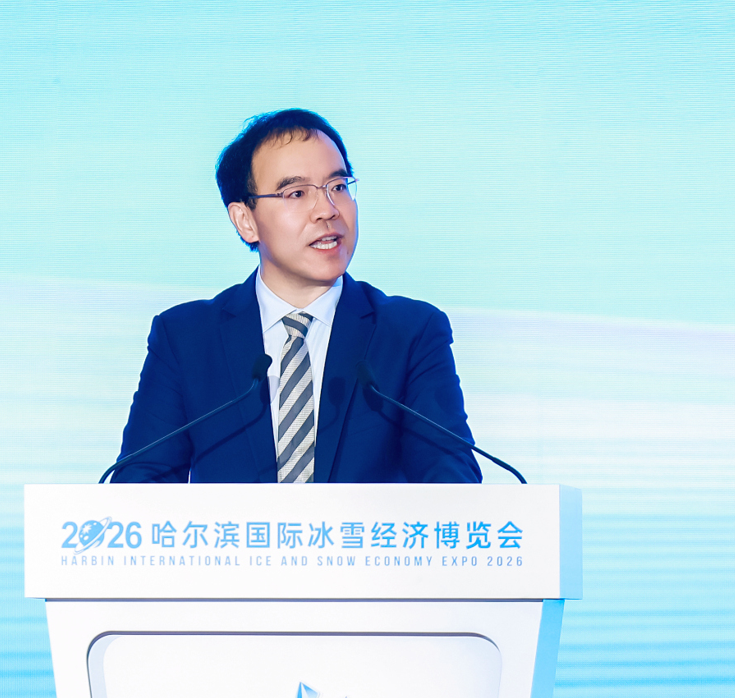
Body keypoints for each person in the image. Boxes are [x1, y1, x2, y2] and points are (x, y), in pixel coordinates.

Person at [111, 109, 482, 484]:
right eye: (297, 193)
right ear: (246, 221)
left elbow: (451, 479)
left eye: (338, 186)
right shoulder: (186, 338)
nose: (327, 210)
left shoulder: (410, 333)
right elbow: (140, 485)